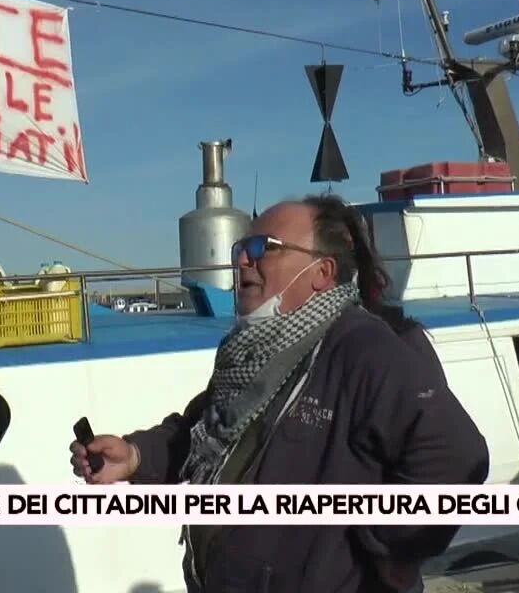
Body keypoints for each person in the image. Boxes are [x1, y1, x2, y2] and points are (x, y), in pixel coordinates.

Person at [69, 193, 489, 593]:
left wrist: (381, 548)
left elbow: (454, 459)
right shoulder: (253, 352)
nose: (242, 258)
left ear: (321, 273)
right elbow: (205, 430)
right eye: (240, 246)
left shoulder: (365, 350)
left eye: (262, 246)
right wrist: (137, 457)